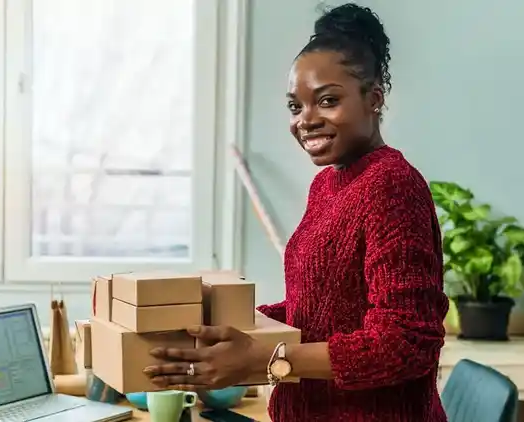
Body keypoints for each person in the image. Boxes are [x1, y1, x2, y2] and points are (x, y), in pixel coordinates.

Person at [142, 3, 449, 421]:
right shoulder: (329, 183)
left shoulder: (391, 185)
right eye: (295, 106)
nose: (306, 121)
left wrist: (266, 356)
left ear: (373, 99)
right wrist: (232, 325)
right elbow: (322, 310)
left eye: (327, 100)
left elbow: (406, 342)